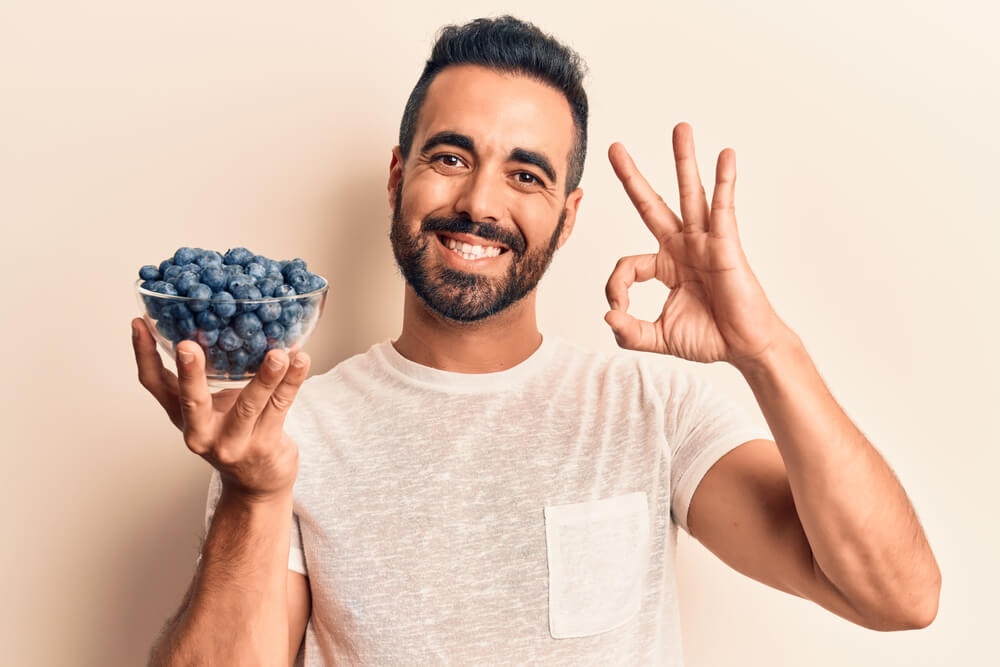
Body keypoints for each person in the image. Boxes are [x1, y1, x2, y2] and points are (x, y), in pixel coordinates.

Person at [132, 15, 941, 667]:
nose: (480, 202)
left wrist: (767, 348)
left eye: (526, 175)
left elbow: (897, 594)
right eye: (450, 156)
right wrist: (254, 493)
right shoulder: (289, 433)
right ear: (397, 176)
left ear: (569, 214)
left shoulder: (652, 407)